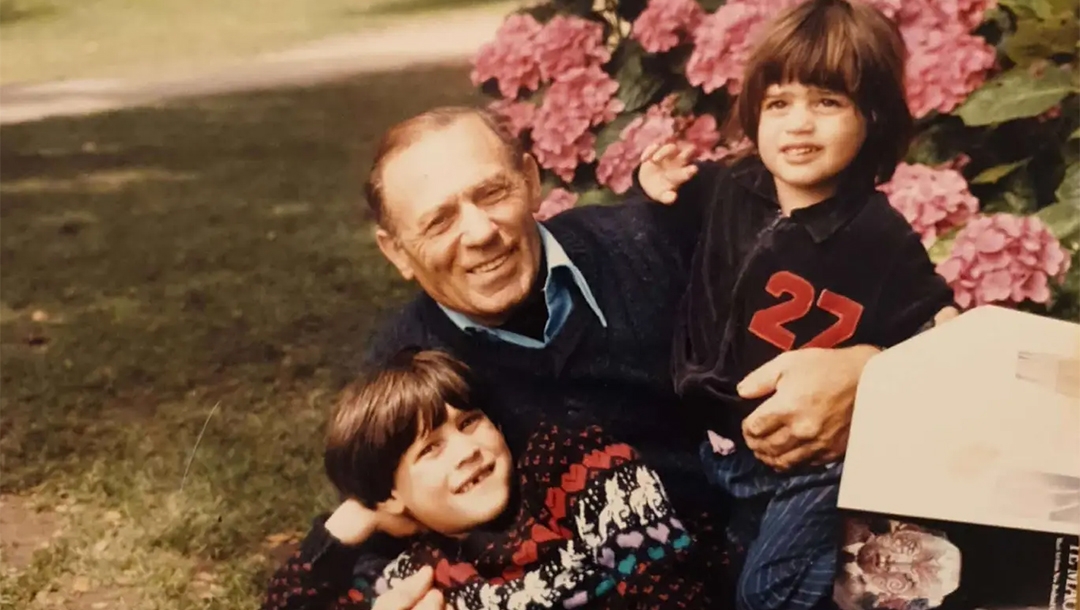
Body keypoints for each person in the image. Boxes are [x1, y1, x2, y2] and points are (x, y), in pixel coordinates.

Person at [262, 102, 928, 610]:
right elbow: (381, 527)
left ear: (529, 177)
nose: (479, 234)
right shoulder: (407, 363)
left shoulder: (655, 242)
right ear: (396, 251)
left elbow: (900, 308)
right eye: (438, 222)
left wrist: (869, 367)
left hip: (772, 540)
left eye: (492, 193)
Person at [634, 1, 959, 609]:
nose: (798, 124)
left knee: (768, 592)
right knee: (730, 569)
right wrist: (653, 180)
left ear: (873, 117)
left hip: (814, 465)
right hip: (726, 449)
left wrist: (899, 355)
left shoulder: (877, 235)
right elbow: (667, 199)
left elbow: (939, 325)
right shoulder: (729, 188)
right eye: (779, 103)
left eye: (827, 103)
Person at [263, 347, 716, 609]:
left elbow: (672, 592)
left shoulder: (583, 469)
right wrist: (350, 522)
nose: (466, 452)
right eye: (430, 449)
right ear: (391, 495)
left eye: (468, 423)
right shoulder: (418, 569)